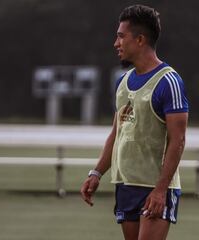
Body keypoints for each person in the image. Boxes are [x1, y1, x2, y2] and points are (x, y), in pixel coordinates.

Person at [81, 4, 189, 240]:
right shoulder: (123, 82)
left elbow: (178, 140)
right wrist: (97, 173)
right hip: (126, 185)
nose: (116, 43)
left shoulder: (168, 82)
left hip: (156, 187)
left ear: (140, 40)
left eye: (121, 36)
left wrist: (160, 190)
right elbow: (117, 133)